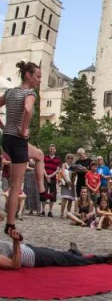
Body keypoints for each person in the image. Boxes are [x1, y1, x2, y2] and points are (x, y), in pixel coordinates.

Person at [0, 60, 45, 240]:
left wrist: (4, 127)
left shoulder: (10, 92)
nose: (40, 80)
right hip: (18, 140)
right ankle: (10, 224)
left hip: (8, 139)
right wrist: (23, 129)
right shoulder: (30, 93)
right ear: (28, 75)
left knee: (39, 154)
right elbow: (27, 109)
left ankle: (42, 191)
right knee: (15, 186)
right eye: (38, 76)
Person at [0, 229, 112, 270]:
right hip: (33, 257)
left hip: (28, 248)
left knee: (58, 253)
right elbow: (15, 265)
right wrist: (16, 242)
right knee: (68, 260)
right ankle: (101, 259)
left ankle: (73, 252)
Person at [43, 144, 60, 217]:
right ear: (49, 149)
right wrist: (46, 176)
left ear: (55, 150)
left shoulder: (57, 159)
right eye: (51, 149)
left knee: (53, 194)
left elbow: (58, 169)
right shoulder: (45, 157)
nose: (52, 150)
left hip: (53, 178)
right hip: (45, 177)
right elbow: (42, 166)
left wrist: (51, 175)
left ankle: (50, 211)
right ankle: (43, 210)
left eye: (53, 149)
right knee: (44, 193)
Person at [59, 154, 76, 219]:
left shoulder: (73, 166)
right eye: (68, 158)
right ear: (66, 158)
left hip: (71, 184)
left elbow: (75, 174)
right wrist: (67, 181)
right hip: (65, 183)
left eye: (71, 158)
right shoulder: (64, 164)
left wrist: (73, 179)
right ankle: (62, 213)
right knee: (64, 199)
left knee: (70, 199)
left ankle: (68, 213)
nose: (70, 159)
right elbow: (62, 173)